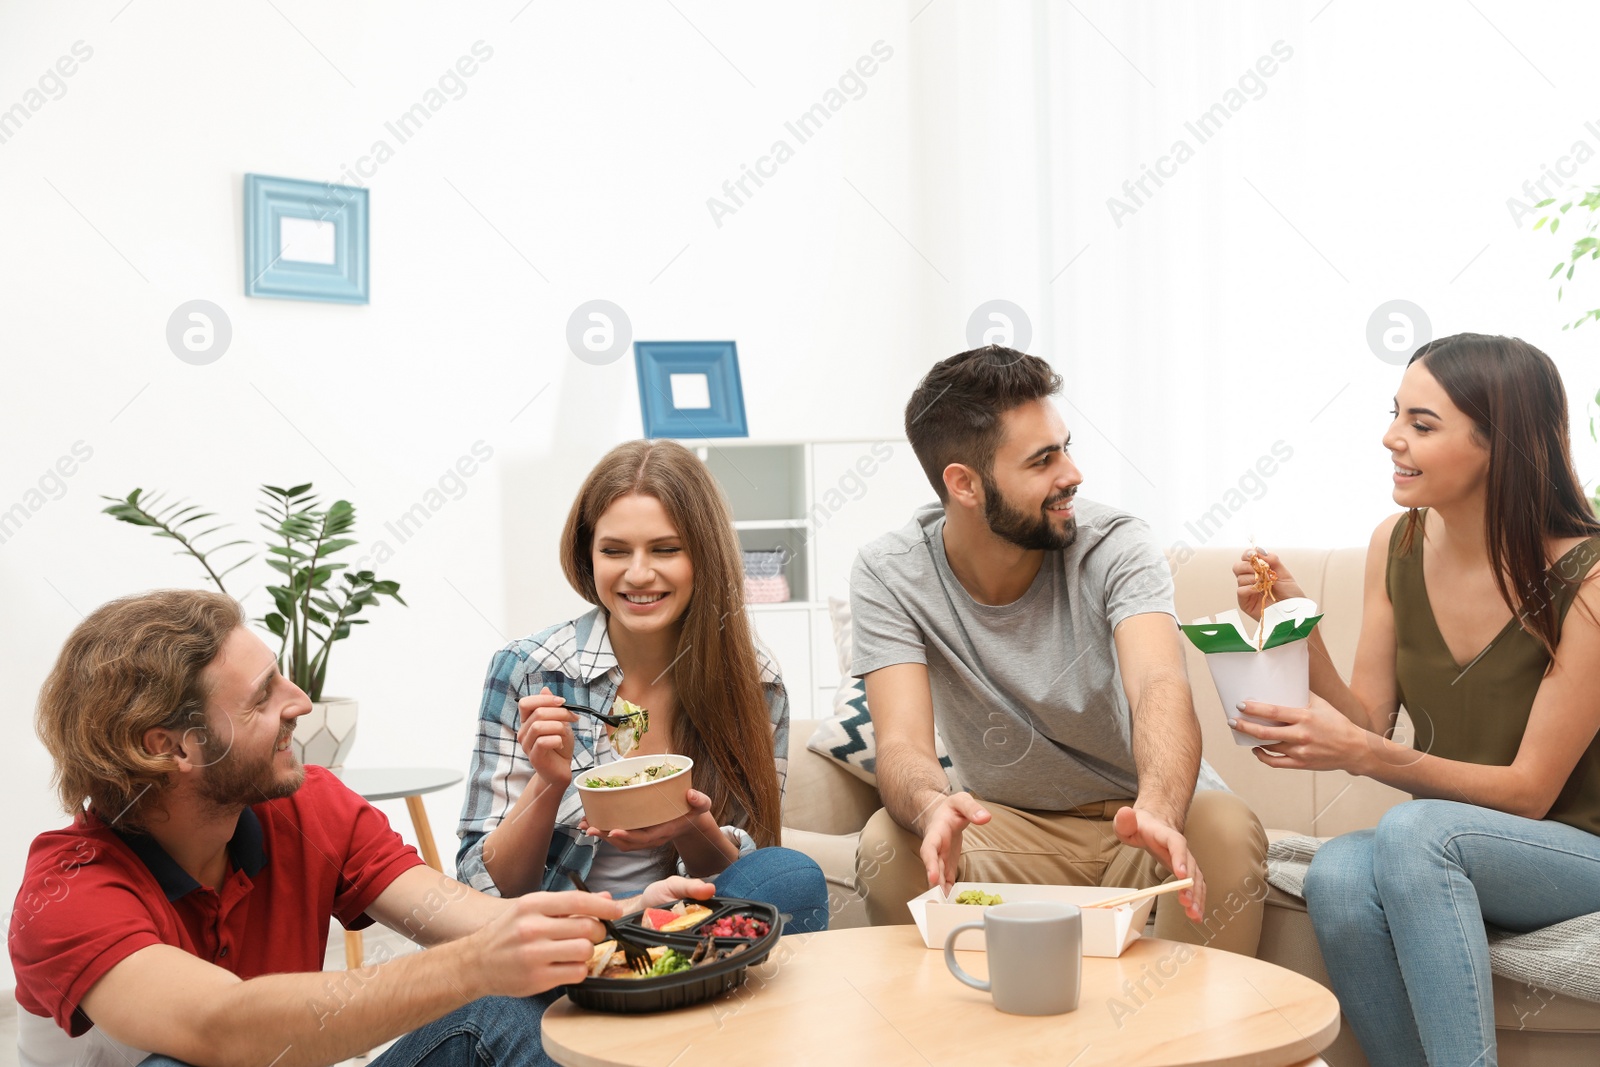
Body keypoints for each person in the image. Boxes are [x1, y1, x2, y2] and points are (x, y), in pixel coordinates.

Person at [10, 588, 713, 1067]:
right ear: (169, 746)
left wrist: (619, 920)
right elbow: (217, 1024)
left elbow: (460, 918)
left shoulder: (307, 804)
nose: (300, 701)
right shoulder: (67, 893)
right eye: (263, 697)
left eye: (281, 676)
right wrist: (477, 965)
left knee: (510, 1005)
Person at [1232, 333, 1600, 1066]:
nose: (1390, 436)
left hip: (1576, 851)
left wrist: (1367, 753)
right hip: (1445, 842)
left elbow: (1529, 795)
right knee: (1338, 871)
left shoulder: (1588, 576)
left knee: (1415, 831)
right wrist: (1301, 633)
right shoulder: (1395, 544)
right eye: (1396, 412)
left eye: (1422, 424)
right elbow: (1368, 720)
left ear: (1503, 443)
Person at [853, 345, 1268, 955]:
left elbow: (1160, 686)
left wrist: (1156, 808)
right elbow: (902, 744)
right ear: (964, 484)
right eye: (1043, 460)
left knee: (1225, 827)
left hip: (1145, 821)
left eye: (1066, 447)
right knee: (887, 843)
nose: (1071, 473)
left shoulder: (1116, 546)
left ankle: (1188, 1047)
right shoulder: (891, 573)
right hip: (1014, 834)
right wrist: (928, 804)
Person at [456, 440, 827, 931]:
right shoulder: (529, 670)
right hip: (557, 942)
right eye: (614, 550)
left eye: (665, 549)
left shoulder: (756, 685)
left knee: (790, 877)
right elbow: (481, 890)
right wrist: (548, 783)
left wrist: (690, 823)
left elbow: (751, 882)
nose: (638, 574)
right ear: (589, 556)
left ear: (704, 555)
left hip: (691, 931)